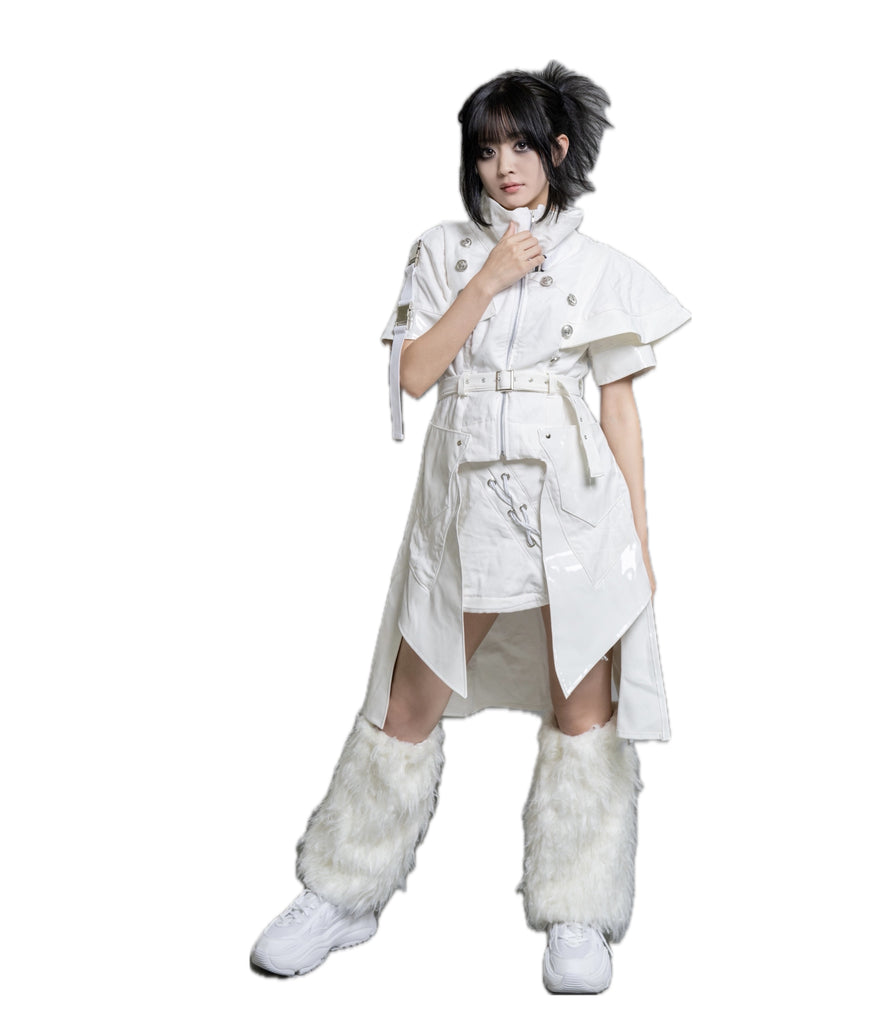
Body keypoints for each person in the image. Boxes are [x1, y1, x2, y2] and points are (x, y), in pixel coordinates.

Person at [251, 60, 690, 995]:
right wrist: (488, 281)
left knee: (583, 707)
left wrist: (641, 547)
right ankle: (342, 891)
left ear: (558, 150)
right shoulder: (443, 252)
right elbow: (415, 375)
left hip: (575, 512)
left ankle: (579, 911)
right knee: (408, 701)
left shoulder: (603, 271)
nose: (505, 167)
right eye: (487, 151)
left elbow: (619, 413)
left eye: (522, 146)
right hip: (465, 512)